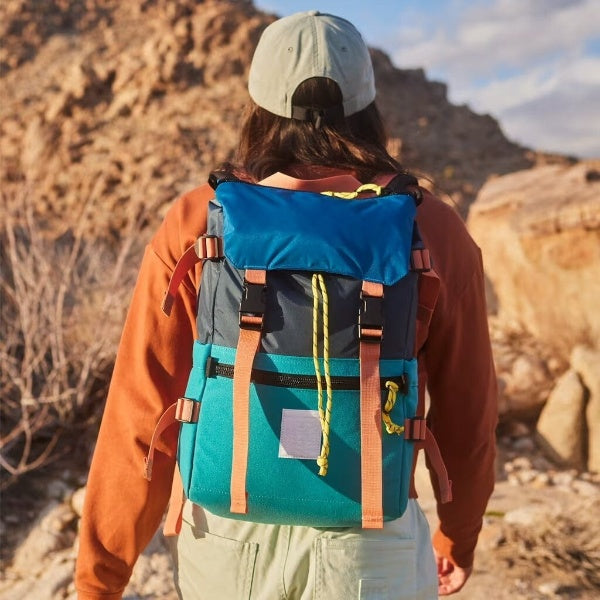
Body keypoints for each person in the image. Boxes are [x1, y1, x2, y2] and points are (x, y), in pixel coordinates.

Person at [75, 10, 497, 600]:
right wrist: (458, 538)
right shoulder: (430, 227)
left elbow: (141, 412)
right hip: (370, 538)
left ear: (258, 105)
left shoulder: (201, 220)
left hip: (226, 534)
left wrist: (100, 579)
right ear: (368, 106)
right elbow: (468, 420)